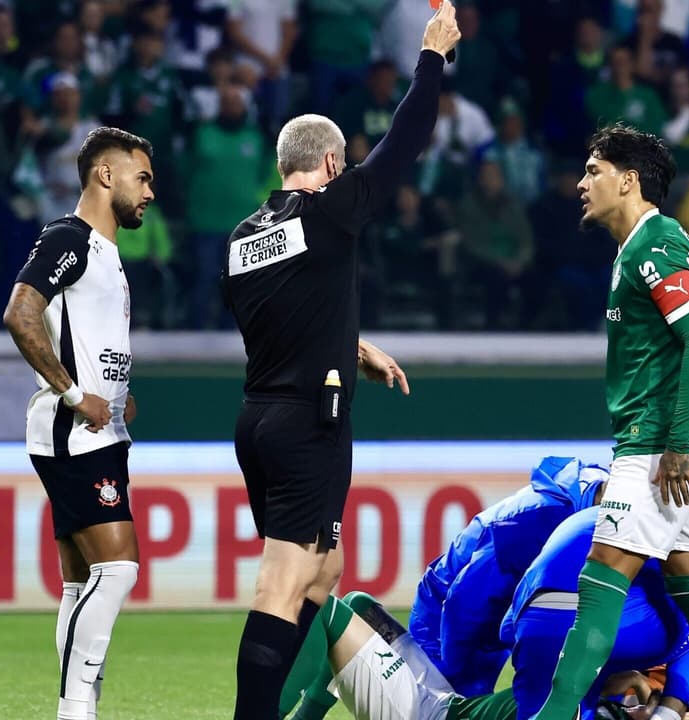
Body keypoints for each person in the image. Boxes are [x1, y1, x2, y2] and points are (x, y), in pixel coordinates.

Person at [219, 6, 460, 718]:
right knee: (284, 582)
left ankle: (293, 707)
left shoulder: (242, 239)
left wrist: (351, 347)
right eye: (343, 165)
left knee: (324, 573)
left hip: (259, 418)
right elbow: (407, 140)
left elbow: (290, 314)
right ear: (328, 165)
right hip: (306, 428)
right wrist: (431, 58)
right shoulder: (328, 210)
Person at [529, 125, 689, 720]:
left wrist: (678, 442)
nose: (581, 184)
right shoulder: (640, 246)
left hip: (660, 445)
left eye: (593, 171)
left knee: (600, 583)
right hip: (665, 440)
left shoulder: (656, 247)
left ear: (628, 180)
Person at [284, 506, 689, 720]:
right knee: (340, 606)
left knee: (343, 608)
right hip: (430, 708)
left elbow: (616, 680)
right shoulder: (582, 687)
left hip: (429, 707)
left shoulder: (573, 681)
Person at [2, 126, 154, 720]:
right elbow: (21, 313)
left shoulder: (109, 254)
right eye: (142, 178)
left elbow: (87, 339)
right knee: (118, 567)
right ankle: (74, 710)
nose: (149, 193)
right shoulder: (71, 237)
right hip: (75, 434)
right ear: (105, 175)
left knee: (80, 580)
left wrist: (116, 395)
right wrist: (72, 394)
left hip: (101, 430)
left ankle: (79, 703)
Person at [283, 456, 609, 718]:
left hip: (479, 620)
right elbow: (468, 605)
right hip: (449, 612)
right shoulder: (544, 521)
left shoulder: (600, 505)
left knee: (333, 607)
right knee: (443, 697)